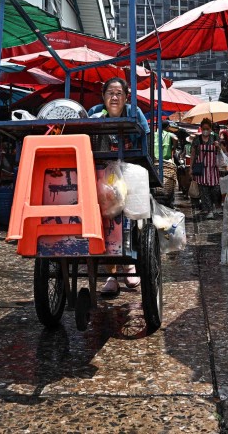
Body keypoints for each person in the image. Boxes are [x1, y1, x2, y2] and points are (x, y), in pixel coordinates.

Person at [86, 77, 150, 296]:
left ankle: (129, 264)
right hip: (102, 173)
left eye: (118, 94)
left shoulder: (135, 113)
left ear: (126, 97)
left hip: (128, 171)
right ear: (103, 96)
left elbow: (145, 145)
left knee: (130, 217)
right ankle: (111, 274)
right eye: (110, 93)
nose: (114, 97)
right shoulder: (94, 112)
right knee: (103, 218)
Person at [189, 118, 222, 220]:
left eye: (207, 128)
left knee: (216, 190)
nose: (205, 130)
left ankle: (215, 205)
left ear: (211, 129)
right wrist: (191, 168)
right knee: (204, 191)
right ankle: (209, 210)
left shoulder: (215, 137)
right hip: (201, 169)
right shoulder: (197, 139)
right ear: (201, 128)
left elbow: (221, 151)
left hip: (213, 169)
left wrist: (218, 147)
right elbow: (193, 154)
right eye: (204, 128)